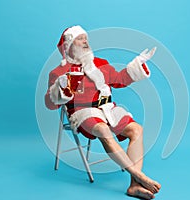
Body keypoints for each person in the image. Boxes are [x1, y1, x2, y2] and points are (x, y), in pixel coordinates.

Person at [45, 25, 161, 199]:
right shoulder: (58, 72)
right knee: (103, 130)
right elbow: (50, 104)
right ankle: (140, 176)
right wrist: (59, 90)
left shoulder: (100, 64)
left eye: (86, 38)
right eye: (80, 38)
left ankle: (134, 185)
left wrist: (138, 64)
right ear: (69, 45)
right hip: (82, 112)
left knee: (137, 130)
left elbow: (120, 79)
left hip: (107, 108)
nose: (85, 41)